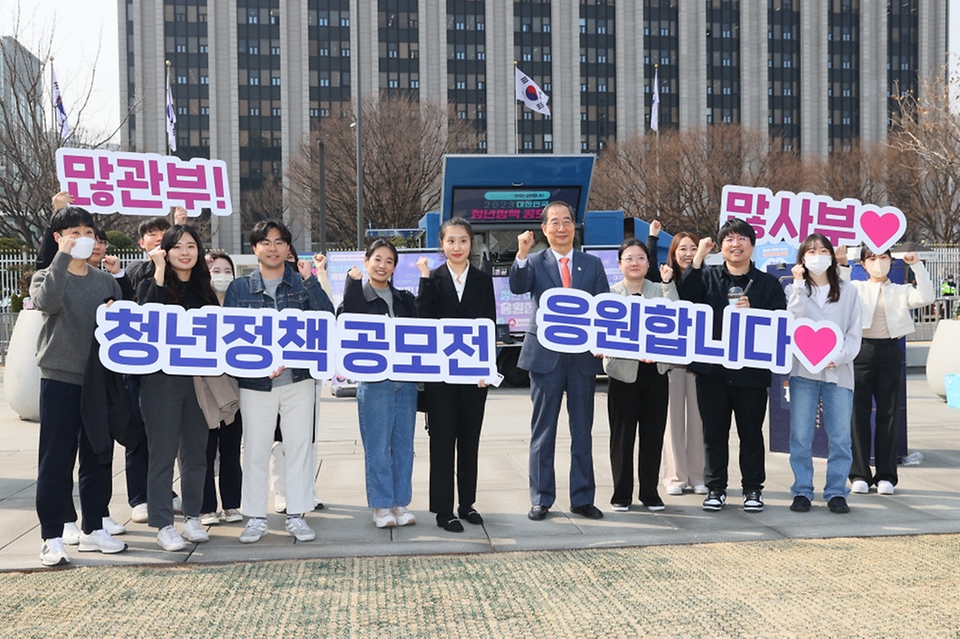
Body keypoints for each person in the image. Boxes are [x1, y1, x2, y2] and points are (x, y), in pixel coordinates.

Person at [223, 220, 333, 543]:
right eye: (266, 242)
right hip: (256, 385)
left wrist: (311, 280)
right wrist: (257, 366)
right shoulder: (239, 288)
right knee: (255, 449)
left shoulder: (300, 284)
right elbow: (230, 339)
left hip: (298, 381)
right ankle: (256, 517)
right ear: (254, 248)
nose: (273, 248)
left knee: (299, 448)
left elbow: (326, 319)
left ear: (288, 248)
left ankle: (297, 514)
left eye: (279, 242)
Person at [30, 206, 127, 566]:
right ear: (57, 237)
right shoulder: (45, 275)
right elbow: (47, 303)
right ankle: (52, 536)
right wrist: (61, 258)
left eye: (88, 231)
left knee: (98, 456)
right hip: (59, 378)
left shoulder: (105, 282)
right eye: (73, 231)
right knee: (55, 459)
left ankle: (95, 526)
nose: (82, 237)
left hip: (99, 380)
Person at [509, 201, 610, 521]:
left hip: (581, 359)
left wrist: (601, 342)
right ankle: (541, 498)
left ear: (574, 227)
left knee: (582, 431)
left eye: (567, 221)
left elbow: (603, 307)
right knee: (543, 431)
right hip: (545, 357)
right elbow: (518, 286)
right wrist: (522, 253)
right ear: (544, 229)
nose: (562, 228)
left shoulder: (591, 265)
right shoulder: (535, 262)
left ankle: (582, 498)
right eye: (555, 222)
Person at [678, 218, 786, 513]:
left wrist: (757, 313)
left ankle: (753, 489)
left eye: (741, 239)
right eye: (728, 239)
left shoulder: (768, 284)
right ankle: (716, 488)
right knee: (714, 434)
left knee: (751, 433)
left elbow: (780, 322)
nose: (735, 244)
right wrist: (698, 256)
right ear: (721, 246)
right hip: (711, 370)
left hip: (751, 372)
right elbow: (686, 296)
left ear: (752, 245)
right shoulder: (709, 276)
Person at [137, 225, 219, 551]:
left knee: (196, 454)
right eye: (177, 247)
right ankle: (163, 524)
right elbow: (148, 318)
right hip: (161, 382)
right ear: (165, 252)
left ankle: (194, 517)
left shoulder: (205, 289)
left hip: (199, 383)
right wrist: (157, 271)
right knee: (162, 454)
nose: (185, 252)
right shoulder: (150, 284)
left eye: (191, 246)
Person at [415, 218, 497, 532]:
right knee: (442, 442)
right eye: (451, 241)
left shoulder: (481, 279)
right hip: (441, 378)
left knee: (469, 441)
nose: (457, 247)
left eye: (463, 240)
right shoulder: (432, 279)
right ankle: (443, 510)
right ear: (442, 244)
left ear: (470, 243)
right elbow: (423, 321)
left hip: (474, 377)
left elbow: (488, 325)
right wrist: (423, 280)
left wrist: (486, 368)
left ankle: (467, 504)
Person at [838, 246, 934, 496]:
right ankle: (859, 473)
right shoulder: (857, 288)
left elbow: (926, 296)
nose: (878, 263)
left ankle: (886, 476)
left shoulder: (901, 291)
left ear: (891, 261)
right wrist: (841, 264)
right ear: (863, 263)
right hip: (860, 351)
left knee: (889, 415)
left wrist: (917, 266)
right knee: (857, 414)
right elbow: (837, 293)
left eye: (883, 258)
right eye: (872, 258)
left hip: (890, 352)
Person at [339, 240, 419, 529]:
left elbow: (421, 329)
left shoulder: (404, 299)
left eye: (389, 261)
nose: (382, 265)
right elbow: (345, 320)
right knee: (377, 446)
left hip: (405, 382)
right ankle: (381, 506)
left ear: (395, 267)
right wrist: (350, 283)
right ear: (366, 260)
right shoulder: (358, 294)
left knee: (403, 446)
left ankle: (401, 503)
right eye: (377, 259)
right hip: (374, 383)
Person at [785, 235, 862, 514]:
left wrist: (838, 357)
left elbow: (854, 334)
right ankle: (802, 490)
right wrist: (797, 286)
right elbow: (790, 323)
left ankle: (836, 491)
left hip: (838, 373)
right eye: (811, 251)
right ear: (802, 258)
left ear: (832, 255)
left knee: (840, 435)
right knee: (800, 435)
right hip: (803, 372)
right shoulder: (794, 289)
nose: (818, 255)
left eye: (823, 250)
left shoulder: (848, 290)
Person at [603, 239, 677, 512]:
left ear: (649, 263)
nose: (635, 263)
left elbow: (676, 320)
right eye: (629, 258)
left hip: (656, 373)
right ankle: (621, 493)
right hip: (622, 373)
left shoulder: (661, 290)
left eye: (640, 258)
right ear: (620, 264)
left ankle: (650, 492)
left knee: (653, 434)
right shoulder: (609, 294)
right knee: (621, 437)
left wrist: (669, 284)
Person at [659, 231, 707, 497]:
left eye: (692, 248)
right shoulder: (664, 279)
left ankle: (698, 475)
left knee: (699, 420)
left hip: (700, 358)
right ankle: (675, 476)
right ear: (673, 253)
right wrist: (653, 238)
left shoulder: (707, 276)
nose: (688, 254)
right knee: (672, 419)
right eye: (683, 249)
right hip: (672, 360)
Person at [198, 250, 244, 526]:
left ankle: (232, 505)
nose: (222, 276)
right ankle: (206, 508)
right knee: (204, 449)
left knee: (230, 449)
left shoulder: (242, 307)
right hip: (203, 388)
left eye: (228, 271)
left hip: (235, 389)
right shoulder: (198, 303)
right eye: (216, 271)